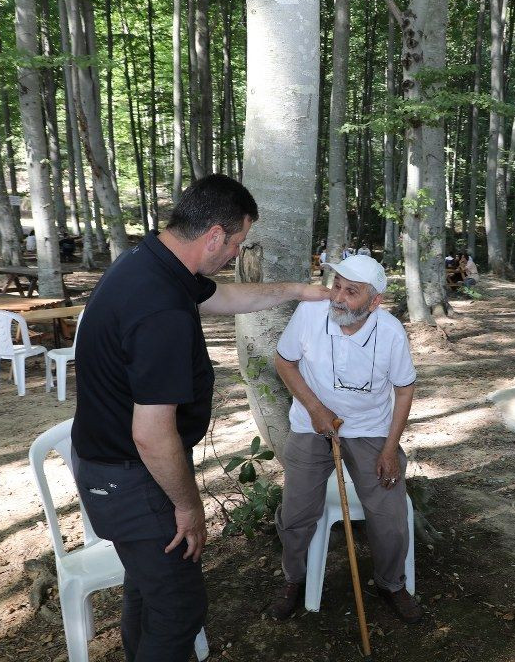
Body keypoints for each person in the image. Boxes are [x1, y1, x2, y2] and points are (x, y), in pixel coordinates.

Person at [71, 174, 331, 662]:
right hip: (132, 477)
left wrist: (302, 290)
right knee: (177, 609)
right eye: (236, 243)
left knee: (147, 591)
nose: (235, 254)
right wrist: (188, 505)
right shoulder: (161, 309)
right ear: (214, 234)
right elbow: (151, 434)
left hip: (110, 468)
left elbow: (226, 298)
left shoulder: (151, 263)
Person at [268, 254, 421, 624]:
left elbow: (404, 389)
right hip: (310, 424)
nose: (337, 297)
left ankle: (391, 583)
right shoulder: (310, 313)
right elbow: (284, 362)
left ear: (375, 301)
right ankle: (294, 579)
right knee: (296, 513)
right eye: (336, 285)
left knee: (390, 517)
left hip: (369, 429)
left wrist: (388, 448)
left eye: (351, 292)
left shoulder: (390, 333)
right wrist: (316, 410)